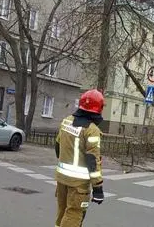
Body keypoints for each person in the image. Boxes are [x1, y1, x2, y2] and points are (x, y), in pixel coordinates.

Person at [54, 89, 105, 227]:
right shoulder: (91, 129)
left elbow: (58, 147)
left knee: (62, 212)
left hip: (61, 178)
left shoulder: (66, 121)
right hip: (78, 184)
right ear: (98, 109)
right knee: (74, 214)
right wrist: (98, 188)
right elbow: (92, 160)